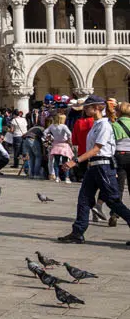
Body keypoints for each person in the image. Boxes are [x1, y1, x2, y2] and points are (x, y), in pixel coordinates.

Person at [57, 96, 130, 243]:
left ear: (97, 107)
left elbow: (97, 149)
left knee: (113, 201)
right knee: (84, 199)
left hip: (103, 166)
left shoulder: (104, 125)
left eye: (87, 107)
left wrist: (75, 161)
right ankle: (77, 232)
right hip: (94, 166)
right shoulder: (96, 124)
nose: (84, 109)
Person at [44, 113, 74, 183]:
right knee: (65, 162)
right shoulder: (64, 126)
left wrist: (49, 138)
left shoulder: (52, 126)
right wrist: (69, 139)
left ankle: (57, 177)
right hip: (64, 144)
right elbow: (70, 133)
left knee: (56, 162)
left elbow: (45, 132)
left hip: (56, 144)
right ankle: (67, 177)